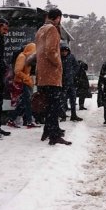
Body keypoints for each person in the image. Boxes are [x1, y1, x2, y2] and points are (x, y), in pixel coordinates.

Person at [35, 8, 71, 145]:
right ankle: (54, 135)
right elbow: (50, 51)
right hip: (51, 74)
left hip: (42, 75)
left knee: (49, 106)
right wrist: (59, 64)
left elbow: (39, 51)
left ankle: (48, 130)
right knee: (54, 106)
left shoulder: (40, 30)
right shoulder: (52, 30)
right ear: (58, 18)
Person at [6, 42, 40, 128]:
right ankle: (29, 121)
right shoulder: (22, 57)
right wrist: (27, 78)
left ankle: (11, 119)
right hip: (22, 82)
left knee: (24, 103)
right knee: (27, 102)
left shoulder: (27, 58)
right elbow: (17, 71)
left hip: (25, 82)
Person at [60, 42, 82, 122]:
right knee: (63, 99)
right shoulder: (59, 58)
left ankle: (74, 115)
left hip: (70, 81)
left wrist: (72, 73)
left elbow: (77, 66)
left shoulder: (71, 57)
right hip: (62, 82)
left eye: (65, 51)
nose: (64, 52)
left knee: (73, 99)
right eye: (62, 51)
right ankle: (63, 115)